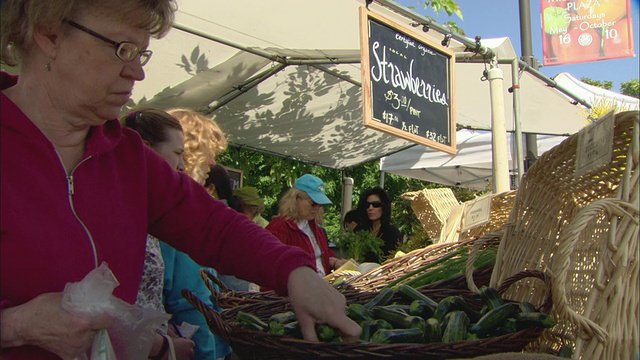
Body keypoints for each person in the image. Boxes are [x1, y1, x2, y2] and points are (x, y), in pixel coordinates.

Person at [0, 2, 360, 359]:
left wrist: (295, 274)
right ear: (50, 34)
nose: (137, 74)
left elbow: (212, 226)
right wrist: (18, 326)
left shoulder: (129, 158)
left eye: (142, 55)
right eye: (123, 49)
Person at [123, 108, 230, 360]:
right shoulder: (170, 216)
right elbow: (189, 301)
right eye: (209, 153)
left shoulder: (158, 208)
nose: (213, 163)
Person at [266, 174, 348, 277]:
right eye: (313, 203)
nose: (317, 208)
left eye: (321, 204)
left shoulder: (315, 228)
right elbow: (270, 267)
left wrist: (335, 262)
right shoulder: (278, 228)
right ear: (296, 199)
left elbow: (321, 256)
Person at [355, 187, 404, 263]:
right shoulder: (360, 230)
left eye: (376, 204)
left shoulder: (392, 232)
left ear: (384, 207)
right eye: (367, 205)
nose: (370, 208)